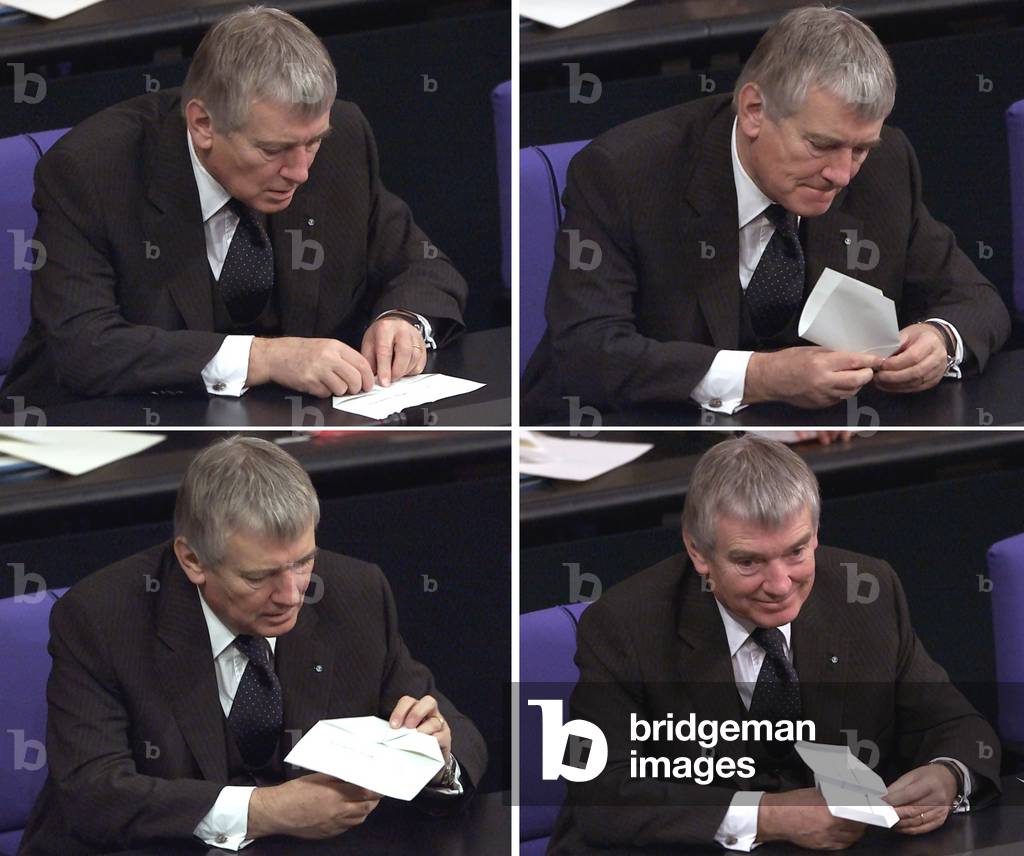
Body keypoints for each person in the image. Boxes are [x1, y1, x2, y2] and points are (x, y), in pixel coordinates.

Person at [522, 6, 1010, 424]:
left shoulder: (885, 166)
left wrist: (941, 340)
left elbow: (977, 300)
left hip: (819, 445)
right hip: (646, 433)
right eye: (822, 145)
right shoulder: (624, 174)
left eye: (860, 149)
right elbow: (589, 350)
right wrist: (761, 376)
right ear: (754, 109)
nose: (842, 174)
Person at [18, 436, 487, 855]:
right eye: (258, 577)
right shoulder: (101, 618)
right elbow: (96, 796)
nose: (292, 594)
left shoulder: (355, 592)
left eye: (303, 562)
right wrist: (266, 810)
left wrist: (435, 758)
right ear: (193, 559)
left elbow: (460, 737)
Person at [548, 435, 1000, 852]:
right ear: (699, 552)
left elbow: (957, 725)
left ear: (816, 532)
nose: (780, 585)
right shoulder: (624, 625)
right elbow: (601, 795)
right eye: (749, 562)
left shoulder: (867, 592)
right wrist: (770, 816)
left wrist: (949, 776)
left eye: (797, 552)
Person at [1, 6, 467, 410]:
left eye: (313, 144)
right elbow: (84, 347)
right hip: (117, 429)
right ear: (203, 123)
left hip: (290, 431)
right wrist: (265, 358)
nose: (300, 171)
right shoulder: (91, 171)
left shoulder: (343, 138)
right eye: (273, 150)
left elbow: (424, 267)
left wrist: (404, 321)